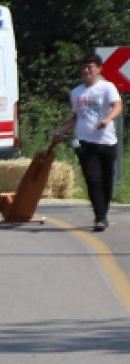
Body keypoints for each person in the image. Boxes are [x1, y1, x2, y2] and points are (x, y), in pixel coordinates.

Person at [52, 53, 123, 232]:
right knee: (93, 179)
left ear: (99, 69)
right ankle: (99, 217)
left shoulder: (107, 87)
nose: (86, 71)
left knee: (107, 180)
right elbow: (76, 117)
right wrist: (62, 131)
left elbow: (117, 106)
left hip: (107, 141)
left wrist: (107, 119)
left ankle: (103, 212)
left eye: (90, 67)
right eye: (84, 67)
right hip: (85, 141)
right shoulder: (76, 92)